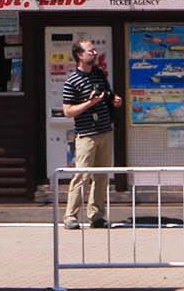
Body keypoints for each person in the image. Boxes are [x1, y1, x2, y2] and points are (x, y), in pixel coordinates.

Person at [60, 37, 123, 229]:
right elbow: (68, 111)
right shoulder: (72, 81)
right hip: (86, 134)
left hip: (105, 130)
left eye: (94, 50)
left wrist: (114, 100)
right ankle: (70, 216)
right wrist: (89, 103)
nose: (94, 53)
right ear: (80, 55)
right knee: (82, 176)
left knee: (101, 176)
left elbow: (107, 94)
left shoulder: (98, 74)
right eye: (90, 51)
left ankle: (96, 216)